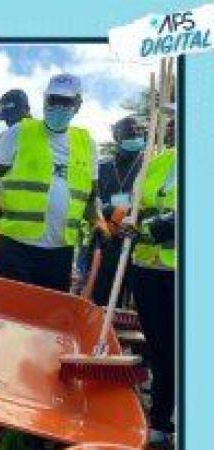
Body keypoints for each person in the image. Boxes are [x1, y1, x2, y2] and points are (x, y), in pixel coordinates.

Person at [0, 74, 102, 292]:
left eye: (66, 102)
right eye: (53, 100)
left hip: (60, 252)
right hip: (15, 247)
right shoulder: (18, 133)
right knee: (13, 316)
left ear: (78, 104)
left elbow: (91, 197)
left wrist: (98, 221)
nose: (58, 106)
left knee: (47, 320)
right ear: (45, 99)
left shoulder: (88, 144)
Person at [123, 143, 176, 447]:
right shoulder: (159, 161)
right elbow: (138, 203)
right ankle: (160, 421)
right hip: (147, 270)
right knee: (159, 350)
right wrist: (122, 215)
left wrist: (147, 228)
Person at [87, 116, 144, 305]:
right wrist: (106, 210)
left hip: (134, 243)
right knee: (99, 298)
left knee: (129, 305)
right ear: (116, 136)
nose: (135, 135)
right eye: (129, 132)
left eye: (138, 132)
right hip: (104, 241)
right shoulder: (102, 168)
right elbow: (90, 199)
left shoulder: (148, 168)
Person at [0, 89, 32, 174]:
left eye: (15, 118)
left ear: (27, 109)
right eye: (7, 119)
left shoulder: (51, 136)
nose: (13, 126)